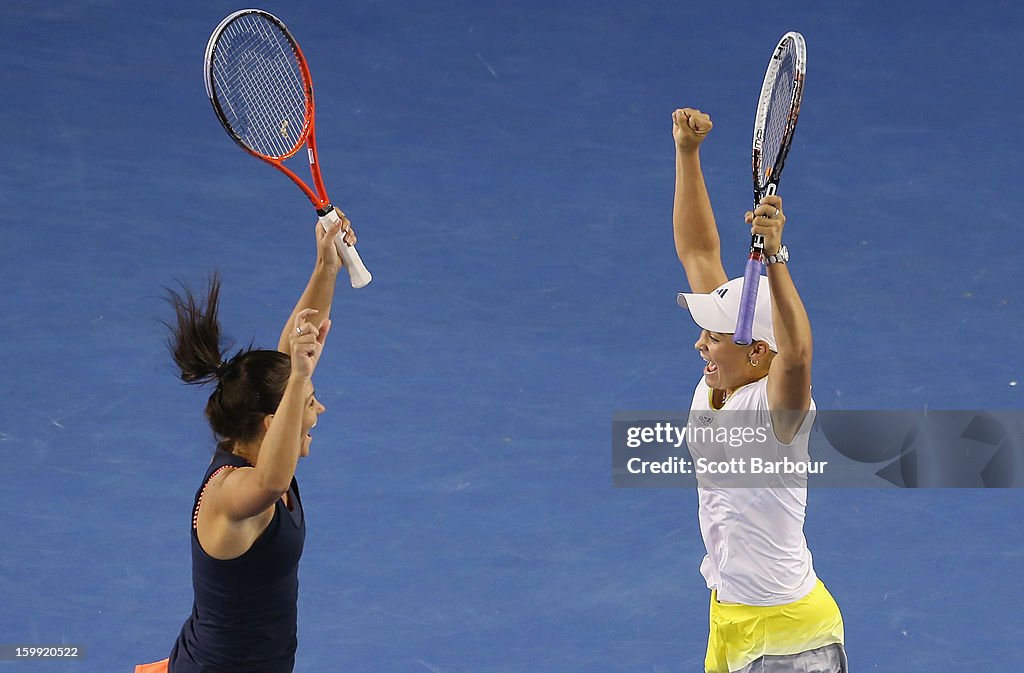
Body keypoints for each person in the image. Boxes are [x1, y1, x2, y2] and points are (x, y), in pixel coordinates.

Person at [135, 216, 357, 673]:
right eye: (309, 403)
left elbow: (288, 359)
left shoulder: (257, 443)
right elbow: (273, 481)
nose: (320, 411)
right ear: (275, 422)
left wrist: (326, 267)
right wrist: (296, 377)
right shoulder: (233, 494)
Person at [671, 107, 847, 673]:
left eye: (714, 337)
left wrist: (775, 256)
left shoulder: (781, 415)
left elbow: (797, 352)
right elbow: (698, 253)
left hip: (789, 630)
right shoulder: (724, 374)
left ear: (757, 352)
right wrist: (688, 155)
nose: (701, 346)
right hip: (728, 616)